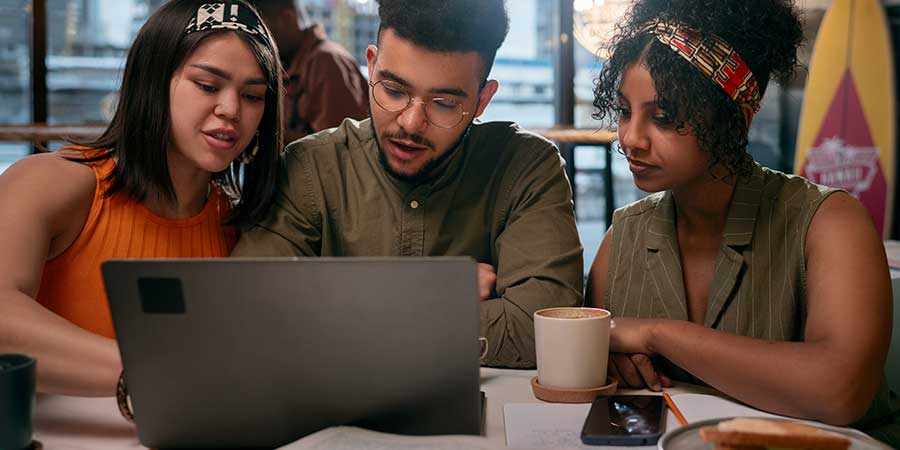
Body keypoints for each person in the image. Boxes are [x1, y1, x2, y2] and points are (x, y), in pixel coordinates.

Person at [586, 0, 898, 445]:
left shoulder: (829, 223)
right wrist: (612, 363)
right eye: (623, 111)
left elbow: (839, 390)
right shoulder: (623, 237)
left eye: (663, 117)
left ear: (736, 114)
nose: (631, 138)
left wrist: (657, 334)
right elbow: (602, 363)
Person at [233, 0, 584, 368]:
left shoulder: (527, 169)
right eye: (394, 91)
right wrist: (432, 291)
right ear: (370, 66)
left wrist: (342, 309)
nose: (411, 123)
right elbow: (252, 311)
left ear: (483, 100)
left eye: (444, 103)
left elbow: (540, 332)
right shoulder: (309, 168)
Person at [0, 0, 283, 397]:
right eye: (207, 85)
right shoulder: (50, 183)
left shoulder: (239, 229)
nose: (231, 109)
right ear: (154, 81)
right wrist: (152, 374)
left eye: (253, 96)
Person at [247, 0, 369, 142]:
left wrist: (266, 136)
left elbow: (340, 146)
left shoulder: (327, 62)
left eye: (264, 31)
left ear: (286, 18)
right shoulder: (288, 63)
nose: (259, 40)